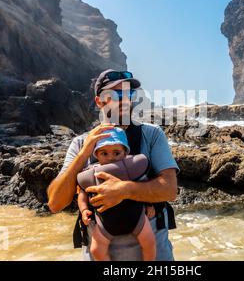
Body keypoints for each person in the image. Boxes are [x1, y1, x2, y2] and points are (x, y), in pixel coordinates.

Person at [47, 69, 180, 261]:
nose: (125, 100)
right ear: (99, 101)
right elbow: (55, 203)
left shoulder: (151, 135)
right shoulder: (80, 144)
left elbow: (170, 190)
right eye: (116, 94)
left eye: (129, 94)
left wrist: (124, 190)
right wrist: (84, 153)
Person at [78, 127, 156, 261]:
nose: (110, 158)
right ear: (96, 154)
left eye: (116, 153)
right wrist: (84, 209)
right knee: (96, 250)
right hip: (105, 224)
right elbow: (83, 194)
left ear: (125, 153)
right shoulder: (92, 173)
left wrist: (149, 204)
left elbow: (144, 186)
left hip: (137, 218)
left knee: (149, 243)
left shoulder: (132, 167)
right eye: (104, 153)